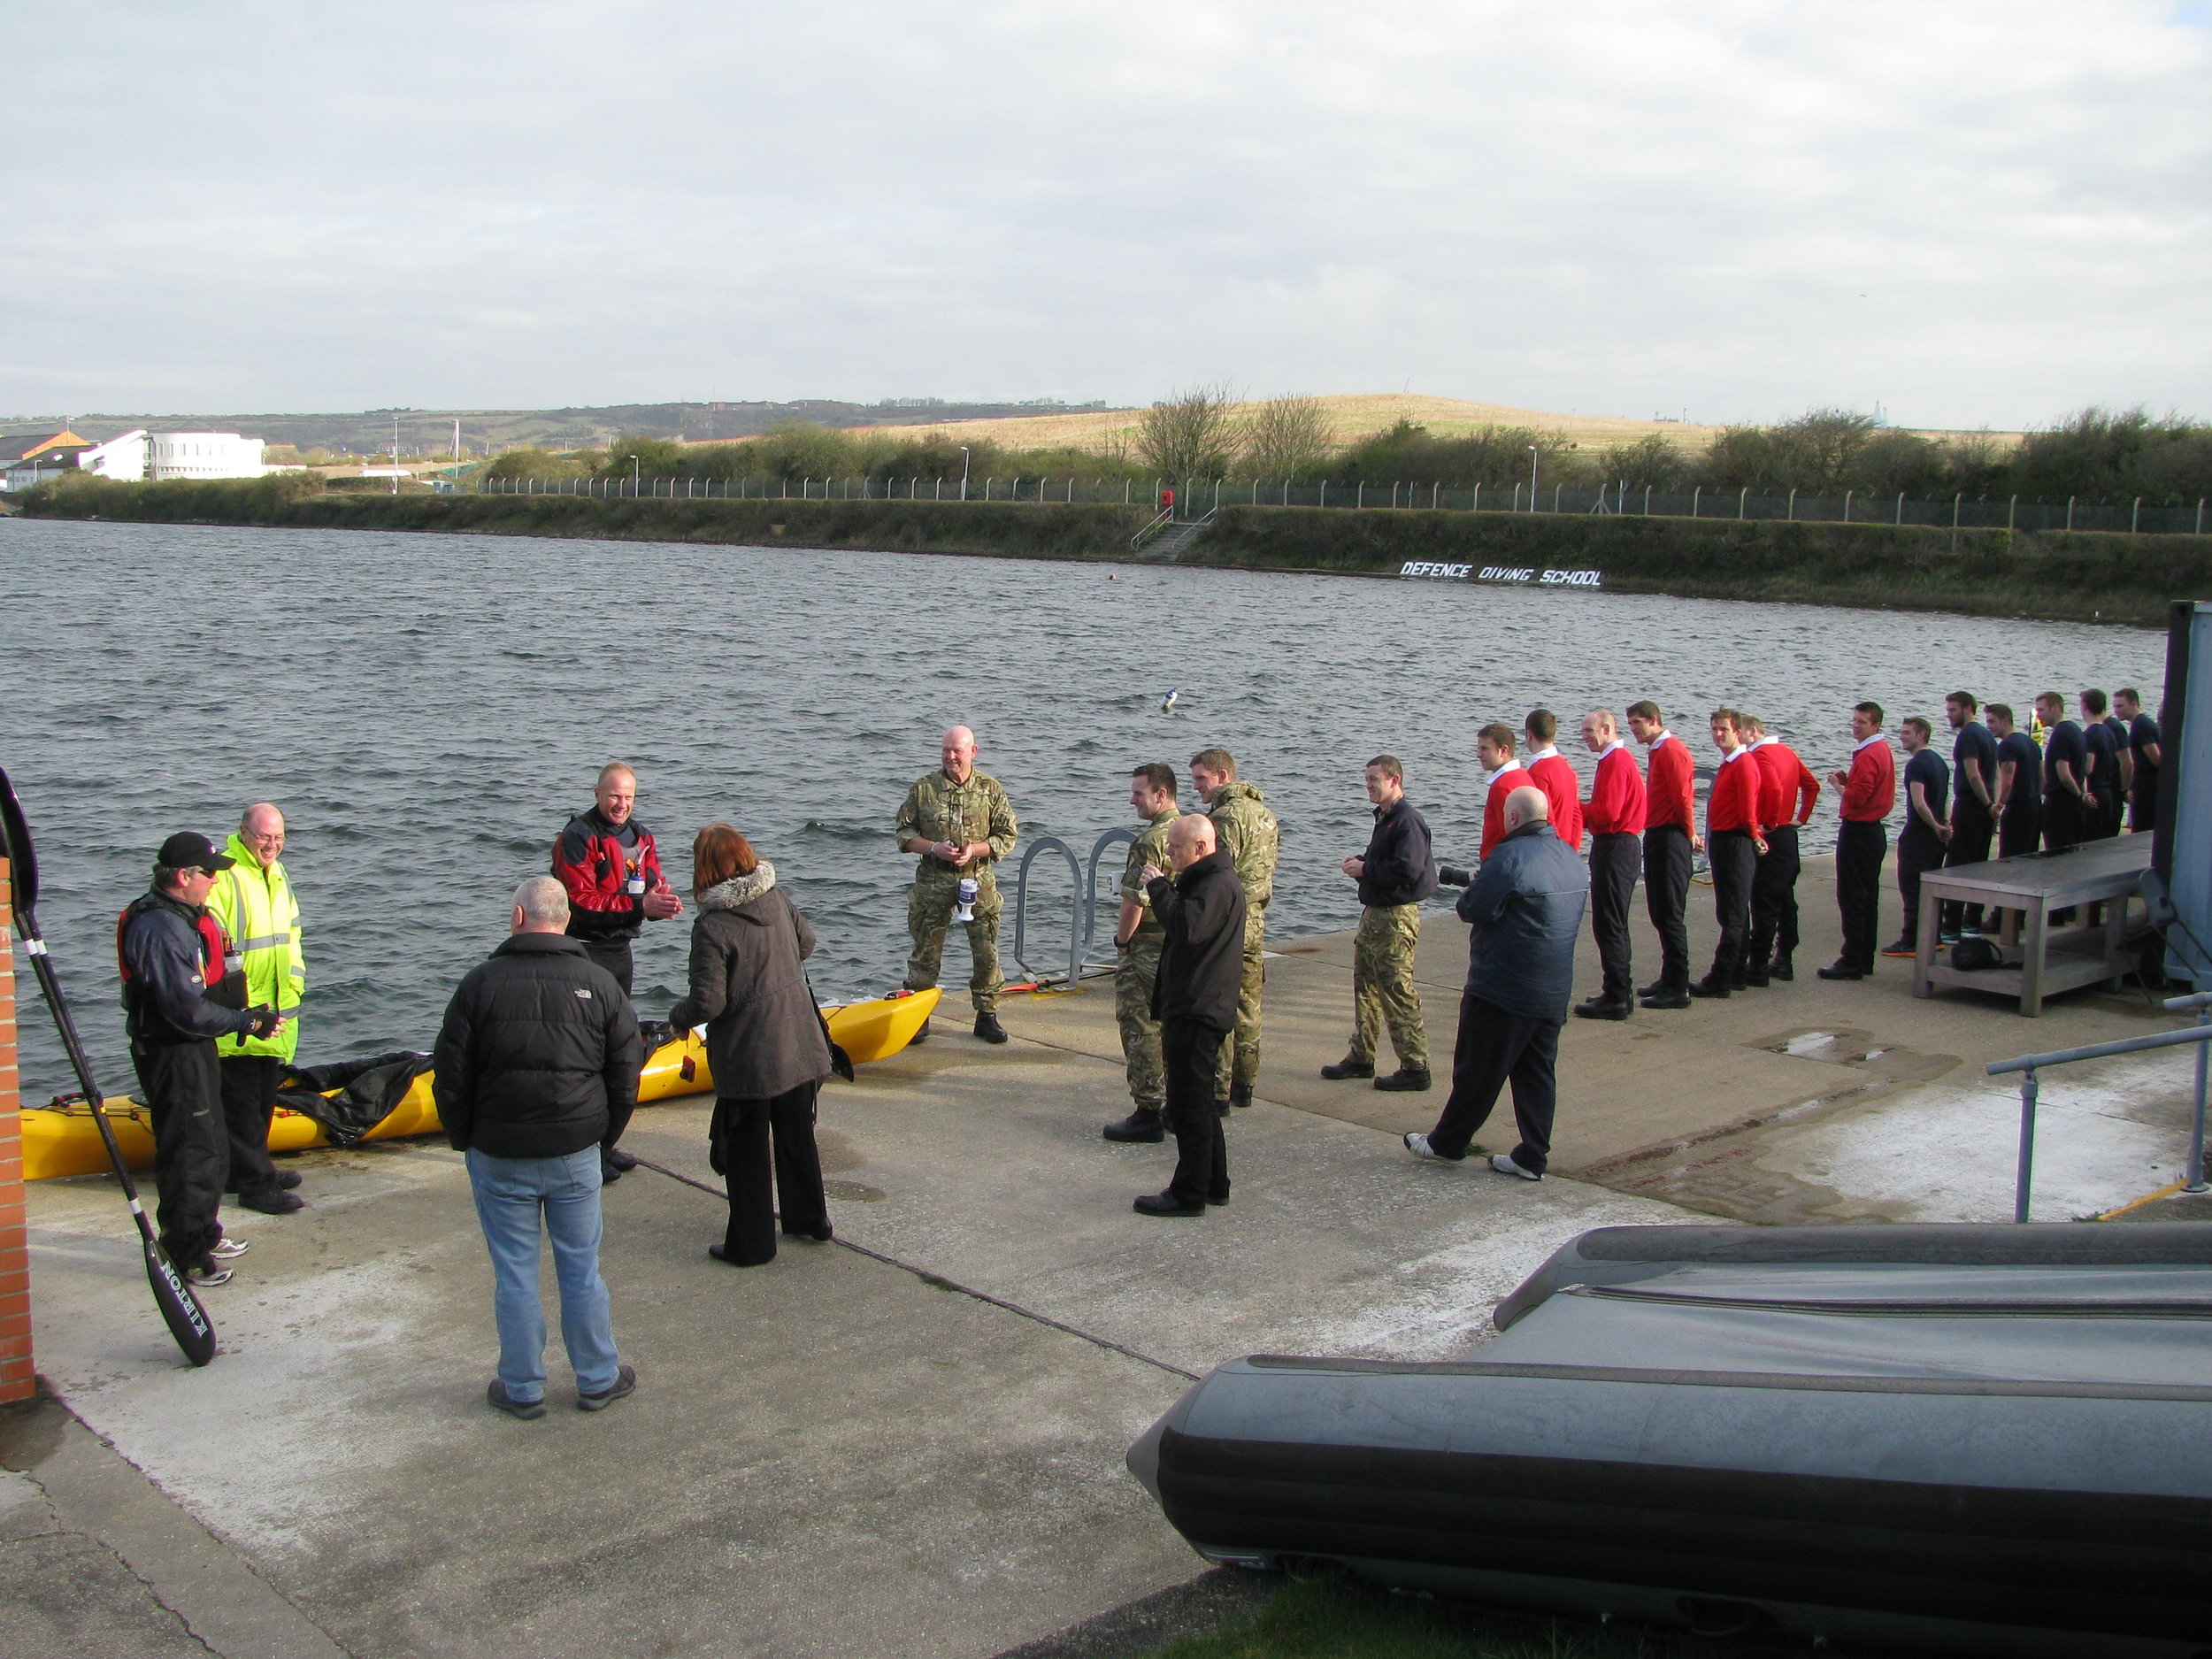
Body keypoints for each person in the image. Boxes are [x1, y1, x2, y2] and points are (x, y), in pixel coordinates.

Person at [434, 876, 641, 1419]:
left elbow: (450, 1078)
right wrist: (602, 1139)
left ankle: (522, 1386)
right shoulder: (599, 984)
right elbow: (625, 1075)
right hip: (575, 1151)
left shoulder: (479, 985)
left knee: (516, 1273)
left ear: (518, 918)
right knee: (581, 1268)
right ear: (567, 921)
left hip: (499, 1153)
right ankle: (597, 1377)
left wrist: (465, 1140)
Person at [118, 833, 286, 1288]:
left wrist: (242, 1017)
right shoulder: (158, 928)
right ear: (182, 876)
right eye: (208, 872)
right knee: (190, 1151)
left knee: (210, 1142)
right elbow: (184, 1008)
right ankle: (184, 1254)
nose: (215, 880)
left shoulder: (182, 918)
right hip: (173, 1052)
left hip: (195, 1047)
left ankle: (204, 1231)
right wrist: (244, 1022)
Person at [667, 825, 833, 1266]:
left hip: (749, 1057)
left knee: (747, 1152)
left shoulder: (712, 927)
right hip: (798, 1041)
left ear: (705, 870)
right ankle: (809, 1220)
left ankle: (753, 1244)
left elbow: (709, 1001)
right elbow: (808, 944)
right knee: (798, 1136)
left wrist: (677, 1017)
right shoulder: (776, 898)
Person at [1403, 787, 1588, 1180]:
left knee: (1478, 1068)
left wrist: (1475, 888)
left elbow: (1472, 908)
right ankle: (1532, 1155)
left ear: (1515, 818)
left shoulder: (1508, 856)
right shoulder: (1572, 857)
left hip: (1504, 984)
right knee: (1537, 1071)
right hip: (1552, 986)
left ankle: (1447, 1144)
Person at [1133, 816, 1247, 1217]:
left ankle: (1189, 1193)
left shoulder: (1215, 883)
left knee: (1187, 1105)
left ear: (1201, 848)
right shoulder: (1208, 878)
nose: (1169, 853)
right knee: (1199, 1101)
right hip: (1201, 1003)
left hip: (1199, 1008)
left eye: (1176, 847)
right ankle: (1214, 1183)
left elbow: (1186, 926)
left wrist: (1158, 886)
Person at [203, 803, 306, 1217]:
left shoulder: (277, 874)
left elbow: (292, 934)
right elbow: (216, 943)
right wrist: (238, 1003)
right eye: (264, 836)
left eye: (279, 837)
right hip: (243, 1011)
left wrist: (296, 983)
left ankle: (244, 1169)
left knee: (262, 1095)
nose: (272, 845)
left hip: (277, 1005)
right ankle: (255, 1185)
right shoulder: (225, 876)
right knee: (243, 1101)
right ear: (243, 832)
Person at [895, 725, 1019, 1044]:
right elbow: (904, 834)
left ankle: (987, 1015)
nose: (951, 756)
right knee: (925, 952)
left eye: (957, 751)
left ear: (973, 752)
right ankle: (918, 1018)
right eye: (946, 750)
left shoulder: (990, 790)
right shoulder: (923, 789)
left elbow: (1008, 836)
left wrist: (973, 851)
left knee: (986, 951)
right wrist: (935, 848)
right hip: (933, 881)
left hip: (977, 881)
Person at [1323, 756, 1436, 1088]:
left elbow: (1409, 869)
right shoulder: (1386, 818)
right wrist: (1363, 862)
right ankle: (1361, 1056)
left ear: (1395, 780)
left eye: (1375, 780)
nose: (1369, 785)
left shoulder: (1407, 821)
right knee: (1366, 987)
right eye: (1367, 779)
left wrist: (1366, 870)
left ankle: (1416, 1067)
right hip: (1375, 915)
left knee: (1396, 989)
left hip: (1395, 918)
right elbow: (1390, 861)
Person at [1192, 748, 1279, 1109]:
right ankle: (1246, 1083)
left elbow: (1217, 876)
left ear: (1223, 776)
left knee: (1219, 1004)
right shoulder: (1266, 814)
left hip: (1228, 921)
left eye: (1201, 779)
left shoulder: (1224, 819)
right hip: (1256, 917)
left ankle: (1219, 1089)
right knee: (1249, 1004)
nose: (1197, 787)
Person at [553, 762, 684, 997]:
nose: (622, 805)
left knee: (618, 1020)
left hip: (621, 949)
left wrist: (660, 906)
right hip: (581, 948)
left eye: (628, 797)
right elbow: (579, 901)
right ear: (598, 794)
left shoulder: (641, 836)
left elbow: (652, 888)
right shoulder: (578, 836)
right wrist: (640, 907)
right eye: (614, 797)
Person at [1103, 764, 1181, 1143]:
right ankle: (1178, 1107)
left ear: (1161, 795)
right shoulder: (1191, 832)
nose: (1132, 799)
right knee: (1174, 1027)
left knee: (1140, 1026)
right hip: (1178, 941)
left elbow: (1135, 901)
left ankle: (1148, 1109)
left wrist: (1122, 944)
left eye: (1139, 793)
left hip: (1148, 945)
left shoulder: (1150, 841)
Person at [1691, 710, 1767, 998]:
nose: (1718, 734)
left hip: (1735, 842)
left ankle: (1721, 977)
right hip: (1724, 841)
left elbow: (1748, 812)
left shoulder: (1744, 764)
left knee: (1733, 913)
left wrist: (1754, 836)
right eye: (1714, 729)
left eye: (1723, 729)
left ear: (1737, 731)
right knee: (1732, 910)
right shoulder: (1729, 763)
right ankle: (1736, 972)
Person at [1574, 710, 1644, 1019]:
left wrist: (1574, 809)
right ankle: (1618, 991)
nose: (1585, 736)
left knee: (1609, 923)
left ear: (1607, 729)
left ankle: (1616, 995)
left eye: (1590, 730)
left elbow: (1609, 813)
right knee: (1612, 921)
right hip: (1620, 845)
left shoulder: (1616, 761)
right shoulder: (1616, 760)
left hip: (1616, 845)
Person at [1821, 702, 1896, 980]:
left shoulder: (1869, 754)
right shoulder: (1882, 750)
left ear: (1875, 725)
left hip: (1860, 830)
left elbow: (1858, 797)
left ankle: (1852, 957)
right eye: (1854, 720)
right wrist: (1850, 780)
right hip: (1873, 831)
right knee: (1867, 895)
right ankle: (1863, 956)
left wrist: (1839, 785)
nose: (1855, 725)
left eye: (1862, 722)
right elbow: (1868, 787)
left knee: (1852, 895)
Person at [1742, 715, 1817, 986]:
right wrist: (1802, 816)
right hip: (1787, 834)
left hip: (1770, 834)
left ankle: (1758, 965)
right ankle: (1784, 957)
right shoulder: (1787, 752)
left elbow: (1772, 788)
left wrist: (1768, 822)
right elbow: (1811, 785)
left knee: (1763, 901)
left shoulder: (1759, 755)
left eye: (1739, 732)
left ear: (1752, 732)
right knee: (1784, 898)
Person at [1627, 702, 1693, 1009]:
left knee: (1670, 914)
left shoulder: (1671, 751)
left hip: (1671, 836)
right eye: (1631, 725)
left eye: (1638, 723)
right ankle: (1669, 976)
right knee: (1660, 910)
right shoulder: (1659, 751)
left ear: (1654, 720)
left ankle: (1678, 986)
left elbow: (1682, 797)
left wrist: (1690, 833)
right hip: (1659, 832)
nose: (1634, 730)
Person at [1884, 717, 1951, 957]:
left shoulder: (1916, 765)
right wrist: (1945, 824)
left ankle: (1910, 940)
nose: (1902, 736)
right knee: (1932, 888)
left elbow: (1920, 803)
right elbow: (1945, 799)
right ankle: (1935, 936)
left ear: (1922, 735)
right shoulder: (1940, 762)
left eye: (1907, 733)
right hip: (1937, 835)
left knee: (1912, 887)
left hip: (1920, 833)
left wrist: (1934, 825)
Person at [1941, 693, 1999, 941]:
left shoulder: (1968, 735)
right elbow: (1995, 773)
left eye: (1953, 710)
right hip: (1985, 809)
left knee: (1958, 865)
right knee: (1979, 864)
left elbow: (1973, 774)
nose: (1949, 714)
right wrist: (1995, 805)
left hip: (1971, 806)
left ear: (1967, 709)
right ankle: (1972, 922)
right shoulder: (1987, 735)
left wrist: (1986, 803)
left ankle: (1952, 925)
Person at [1989, 703, 2043, 944]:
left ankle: (2002, 915)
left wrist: (1999, 804)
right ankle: (2019, 914)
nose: (1989, 727)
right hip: (2034, 806)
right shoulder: (2031, 743)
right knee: (2027, 860)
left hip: (2018, 808)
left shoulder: (2008, 746)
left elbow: (2007, 779)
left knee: (2009, 861)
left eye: (1992, 722)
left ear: (2005, 720)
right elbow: (2043, 777)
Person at [2038, 691, 2090, 863]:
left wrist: (2079, 795)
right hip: (2074, 806)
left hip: (2061, 803)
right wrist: (2083, 795)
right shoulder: (2076, 730)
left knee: (2058, 855)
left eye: (2041, 710)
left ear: (2056, 708)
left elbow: (2064, 773)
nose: (2038, 715)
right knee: (2071, 853)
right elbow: (2081, 772)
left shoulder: (2060, 734)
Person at [1522, 710, 1584, 849]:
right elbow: (1576, 814)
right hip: (1566, 848)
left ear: (1529, 735)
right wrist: (1572, 849)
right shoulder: (1567, 768)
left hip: (1548, 848)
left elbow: (1545, 817)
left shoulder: (1537, 772)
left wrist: (1553, 849)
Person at [1476, 726, 1529, 860]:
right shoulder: (1523, 775)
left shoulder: (1502, 786)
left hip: (1500, 864)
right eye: (1478, 748)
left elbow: (1508, 834)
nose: (1479, 754)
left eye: (1485, 749)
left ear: (1504, 750)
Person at [2116, 687, 2162, 833]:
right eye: (2115, 706)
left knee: (2143, 828)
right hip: (2147, 785)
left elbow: (2156, 759)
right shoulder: (2143, 723)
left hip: (2147, 788)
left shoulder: (2141, 725)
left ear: (2134, 704)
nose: (2116, 710)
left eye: (2120, 706)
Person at [2080, 689, 2122, 841]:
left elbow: (2088, 768)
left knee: (2090, 841)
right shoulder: (2108, 731)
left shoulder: (2089, 734)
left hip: (2095, 793)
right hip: (2108, 792)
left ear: (2084, 706)